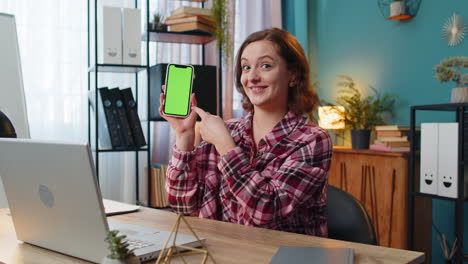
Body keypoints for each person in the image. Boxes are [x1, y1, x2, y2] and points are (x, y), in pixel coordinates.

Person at [159, 27, 332, 237]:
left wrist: (226, 147)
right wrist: (184, 137)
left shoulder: (312, 140)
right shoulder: (227, 130)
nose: (252, 77)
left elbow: (266, 211)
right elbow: (182, 204)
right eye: (246, 67)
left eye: (265, 66)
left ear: (292, 74)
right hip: (227, 254)